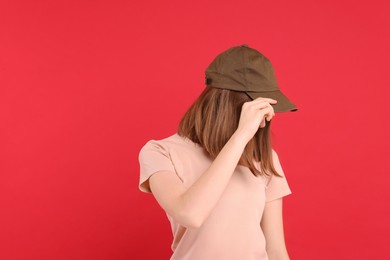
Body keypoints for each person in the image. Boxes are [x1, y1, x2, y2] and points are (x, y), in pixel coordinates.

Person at [138, 44, 298, 260]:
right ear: (225, 104)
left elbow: (276, 250)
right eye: (256, 111)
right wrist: (240, 136)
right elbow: (190, 214)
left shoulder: (264, 158)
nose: (263, 121)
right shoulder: (160, 152)